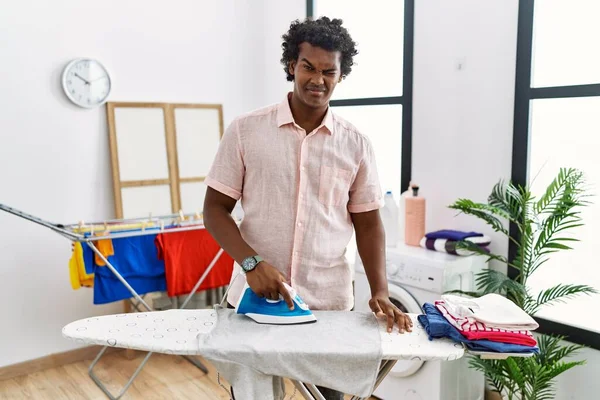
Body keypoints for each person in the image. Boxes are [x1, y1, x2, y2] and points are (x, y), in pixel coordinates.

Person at [203, 16, 412, 400]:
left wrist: (380, 289)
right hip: (253, 303)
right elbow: (214, 210)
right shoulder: (246, 130)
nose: (318, 80)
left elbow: (368, 224)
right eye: (308, 68)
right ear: (291, 66)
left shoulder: (356, 144)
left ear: (341, 75)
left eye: (328, 71)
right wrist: (251, 263)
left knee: (327, 397)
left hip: (328, 303)